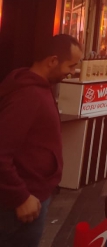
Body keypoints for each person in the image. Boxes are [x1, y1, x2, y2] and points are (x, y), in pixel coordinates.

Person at [0, 35, 83, 247]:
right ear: (53, 61)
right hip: (23, 201)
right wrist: (20, 197)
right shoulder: (29, 96)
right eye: (71, 65)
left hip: (32, 194)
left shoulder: (36, 86)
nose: (73, 72)